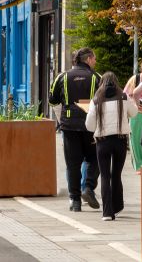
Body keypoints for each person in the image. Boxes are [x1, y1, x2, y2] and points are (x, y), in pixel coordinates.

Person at [49, 47, 101, 212]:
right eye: (94, 59)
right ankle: (88, 187)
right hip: (90, 126)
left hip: (69, 126)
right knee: (94, 159)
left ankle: (75, 200)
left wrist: (62, 117)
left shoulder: (62, 77)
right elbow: (103, 100)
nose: (95, 62)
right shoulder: (96, 77)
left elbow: (52, 100)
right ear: (88, 60)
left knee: (72, 164)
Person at [85, 72, 138, 221]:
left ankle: (107, 212)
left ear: (101, 83)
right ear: (116, 82)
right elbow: (134, 113)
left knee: (105, 176)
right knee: (116, 175)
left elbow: (89, 126)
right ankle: (117, 206)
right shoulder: (123, 97)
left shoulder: (96, 100)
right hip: (120, 140)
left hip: (102, 142)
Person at [123, 57, 142, 173]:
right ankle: (139, 166)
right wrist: (134, 104)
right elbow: (125, 95)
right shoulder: (135, 79)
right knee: (136, 140)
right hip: (137, 114)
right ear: (141, 66)